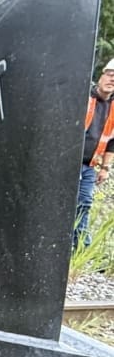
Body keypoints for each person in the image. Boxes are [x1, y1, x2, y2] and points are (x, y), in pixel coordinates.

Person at [74, 60, 114, 251]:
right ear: (101, 75)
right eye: (110, 75)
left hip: (89, 164)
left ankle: (81, 247)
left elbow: (112, 141)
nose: (112, 80)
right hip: (69, 161)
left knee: (84, 203)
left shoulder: (113, 108)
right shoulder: (83, 96)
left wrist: (105, 168)